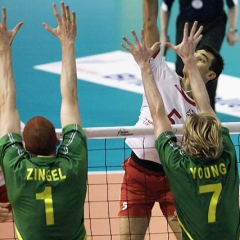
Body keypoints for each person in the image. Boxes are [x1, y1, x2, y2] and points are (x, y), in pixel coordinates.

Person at [121, 22, 240, 240]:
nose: (194, 58)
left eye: (201, 59)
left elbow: (158, 114)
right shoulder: (228, 156)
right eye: (195, 55)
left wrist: (144, 67)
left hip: (175, 180)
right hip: (140, 175)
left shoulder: (180, 163)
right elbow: (149, 22)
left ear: (211, 75)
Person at [0, 3, 88, 240]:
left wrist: (4, 49)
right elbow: (70, 100)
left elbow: (6, 104)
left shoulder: (16, 169)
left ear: (24, 147)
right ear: (59, 139)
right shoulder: (73, 164)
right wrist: (68, 44)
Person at [160, 0, 239, 111]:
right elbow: (165, 7)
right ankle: (180, 109)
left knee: (206, 65)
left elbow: (233, 4)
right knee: (181, 66)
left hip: (214, 23)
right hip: (186, 23)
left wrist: (233, 29)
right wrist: (163, 34)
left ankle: (208, 113)